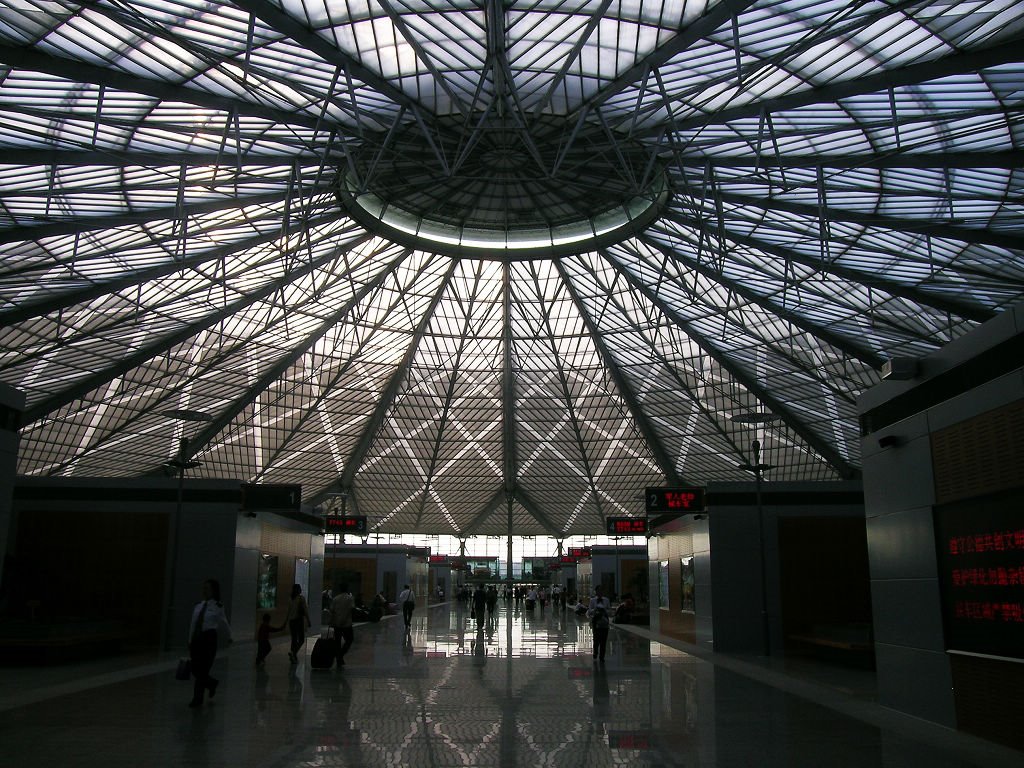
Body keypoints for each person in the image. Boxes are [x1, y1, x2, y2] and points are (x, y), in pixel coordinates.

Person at [188, 578, 232, 708]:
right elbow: (193, 624)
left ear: (214, 591)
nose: (204, 591)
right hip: (197, 639)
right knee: (195, 668)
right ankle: (211, 683)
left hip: (209, 640)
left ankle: (197, 699)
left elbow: (224, 623)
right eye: (204, 588)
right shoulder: (198, 606)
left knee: (202, 669)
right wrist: (189, 640)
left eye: (207, 588)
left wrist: (230, 636)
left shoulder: (218, 607)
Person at [329, 582, 355, 667]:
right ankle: (340, 655)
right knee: (349, 640)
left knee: (337, 642)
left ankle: (339, 657)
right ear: (347, 589)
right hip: (347, 624)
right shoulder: (350, 598)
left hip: (337, 623)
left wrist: (331, 621)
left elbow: (332, 611)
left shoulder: (336, 599)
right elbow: (351, 609)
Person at [285, 584, 311, 663]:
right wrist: (308, 621)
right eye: (300, 588)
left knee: (294, 639)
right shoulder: (301, 598)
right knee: (301, 639)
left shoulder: (290, 599)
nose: (301, 590)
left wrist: (285, 622)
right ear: (298, 590)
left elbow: (288, 612)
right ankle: (293, 653)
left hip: (291, 621)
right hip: (298, 621)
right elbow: (305, 610)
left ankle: (294, 656)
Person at [587, 585, 612, 662]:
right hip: (596, 622)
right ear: (596, 592)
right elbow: (589, 611)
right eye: (598, 591)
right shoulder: (592, 600)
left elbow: (609, 611)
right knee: (596, 639)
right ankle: (595, 652)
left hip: (604, 622)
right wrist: (595, 610)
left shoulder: (606, 600)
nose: (600, 592)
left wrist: (604, 611)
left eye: (601, 591)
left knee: (603, 640)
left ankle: (602, 656)